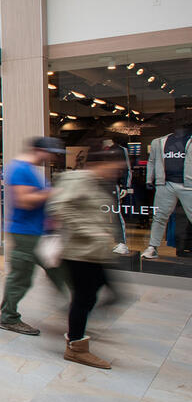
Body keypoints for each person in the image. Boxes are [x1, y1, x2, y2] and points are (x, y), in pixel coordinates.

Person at [48, 145, 128, 370]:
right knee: (85, 298)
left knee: (100, 295)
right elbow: (59, 206)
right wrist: (90, 232)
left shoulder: (95, 182)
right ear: (100, 164)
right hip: (79, 252)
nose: (116, 173)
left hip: (93, 252)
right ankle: (75, 345)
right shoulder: (77, 180)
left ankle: (76, 331)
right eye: (114, 168)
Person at [0, 137, 70, 336]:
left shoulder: (32, 171)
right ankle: (9, 317)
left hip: (40, 233)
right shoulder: (20, 169)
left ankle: (76, 311)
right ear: (39, 150)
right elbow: (24, 201)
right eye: (51, 152)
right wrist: (52, 192)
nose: (53, 157)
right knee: (21, 277)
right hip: (25, 233)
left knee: (59, 272)